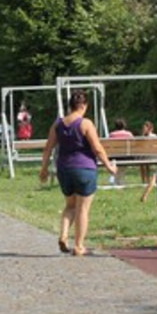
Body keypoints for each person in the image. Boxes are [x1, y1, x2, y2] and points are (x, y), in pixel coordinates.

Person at [39, 89, 118, 257]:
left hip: (64, 170)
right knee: (83, 209)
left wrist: (44, 169)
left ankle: (63, 235)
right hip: (85, 169)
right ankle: (79, 246)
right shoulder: (86, 124)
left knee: (70, 206)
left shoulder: (58, 124)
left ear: (70, 105)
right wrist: (109, 166)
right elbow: (97, 148)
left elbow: (48, 148)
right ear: (83, 106)